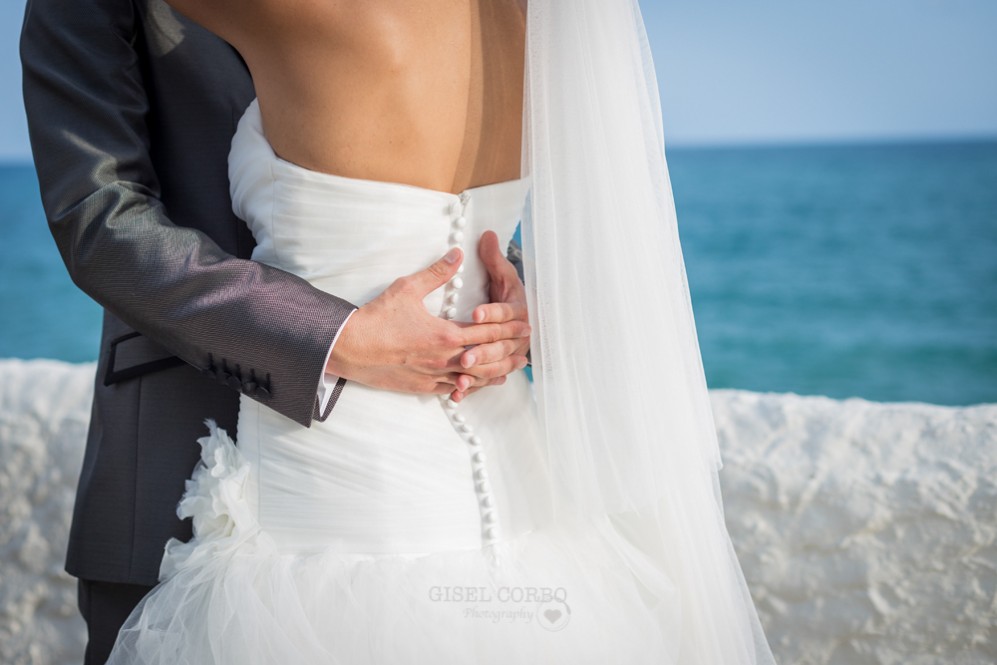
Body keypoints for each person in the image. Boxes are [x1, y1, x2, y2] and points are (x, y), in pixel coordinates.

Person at [19, 0, 534, 662]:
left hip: (444, 471)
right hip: (173, 449)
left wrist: (502, 299)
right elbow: (99, 217)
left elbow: (431, 177)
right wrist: (328, 337)